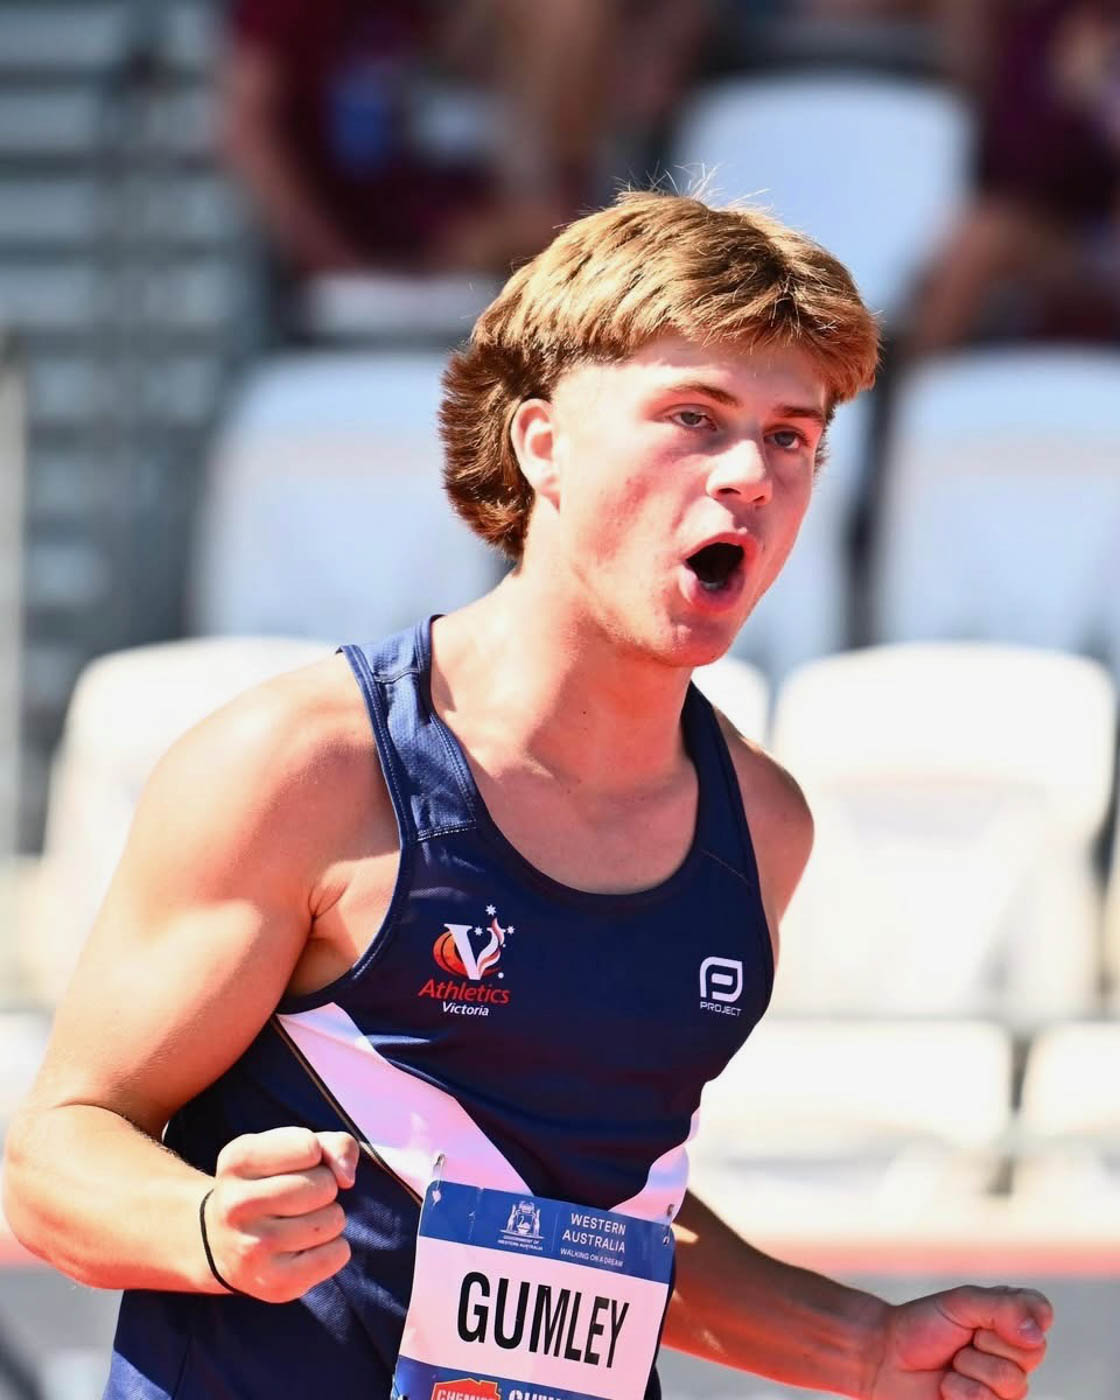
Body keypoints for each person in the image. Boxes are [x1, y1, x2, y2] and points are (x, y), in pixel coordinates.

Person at [2, 192, 1052, 1400]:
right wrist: (202, 1224)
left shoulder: (762, 826)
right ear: (541, 443)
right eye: (694, 417)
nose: (749, 475)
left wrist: (857, 1344)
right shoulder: (307, 764)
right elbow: (54, 1155)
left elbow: (590, 1217)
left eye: (789, 436)